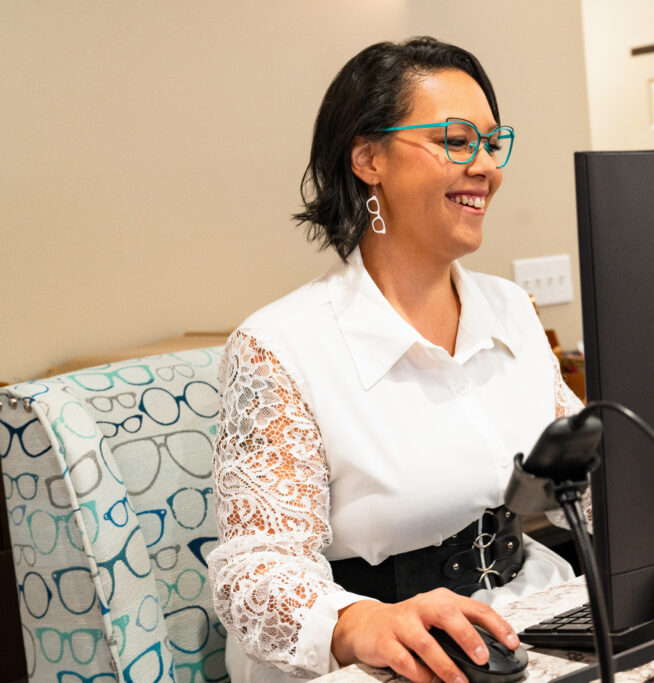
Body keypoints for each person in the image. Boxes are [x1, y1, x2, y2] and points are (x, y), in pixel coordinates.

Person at [208, 37, 585, 683]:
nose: (486, 166)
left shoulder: (511, 309)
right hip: (378, 651)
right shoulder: (280, 346)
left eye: (492, 143)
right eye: (456, 140)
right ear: (368, 157)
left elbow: (579, 473)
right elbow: (253, 569)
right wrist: (358, 624)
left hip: (523, 611)